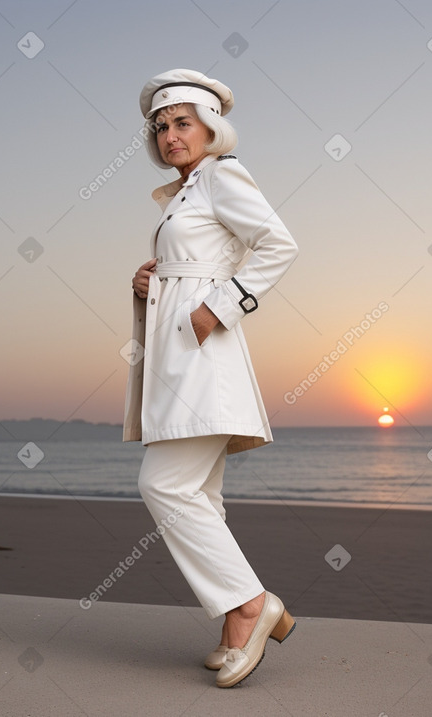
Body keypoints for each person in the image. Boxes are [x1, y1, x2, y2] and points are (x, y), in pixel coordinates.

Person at [123, 68, 299, 688]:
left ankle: (252, 605)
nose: (171, 135)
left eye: (182, 123)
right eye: (161, 126)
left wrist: (216, 308)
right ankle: (234, 625)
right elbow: (189, 261)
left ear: (209, 128)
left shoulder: (222, 174)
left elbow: (278, 244)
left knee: (164, 487)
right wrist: (151, 283)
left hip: (202, 355)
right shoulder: (184, 193)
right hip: (174, 355)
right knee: (200, 496)